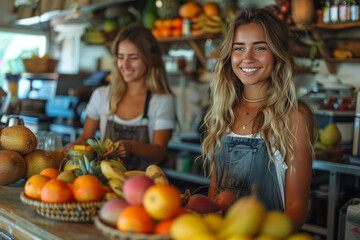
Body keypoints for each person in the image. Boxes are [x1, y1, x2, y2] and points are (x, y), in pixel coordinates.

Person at [201, 8, 314, 231]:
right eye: (239, 48)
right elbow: (214, 196)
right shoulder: (223, 112)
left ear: (277, 53)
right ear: (229, 55)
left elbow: (297, 207)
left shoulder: (295, 115)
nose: (247, 58)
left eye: (260, 48)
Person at [73, 23, 176, 171]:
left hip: (143, 187)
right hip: (102, 185)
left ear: (149, 59)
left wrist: (132, 147)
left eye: (133, 58)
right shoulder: (101, 95)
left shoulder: (161, 101)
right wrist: (73, 148)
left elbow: (159, 151)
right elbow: (86, 138)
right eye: (121, 57)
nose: (125, 65)